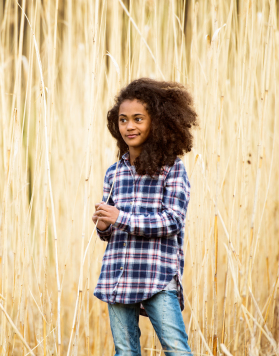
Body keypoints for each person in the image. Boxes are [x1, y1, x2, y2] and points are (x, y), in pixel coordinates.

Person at [92, 78, 197, 356]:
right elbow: (111, 230)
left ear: (157, 122)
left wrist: (120, 217)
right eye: (123, 120)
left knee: (177, 350)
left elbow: (172, 220)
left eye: (138, 119)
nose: (129, 126)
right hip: (119, 274)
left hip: (156, 275)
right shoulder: (114, 173)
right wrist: (104, 226)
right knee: (125, 352)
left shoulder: (172, 169)